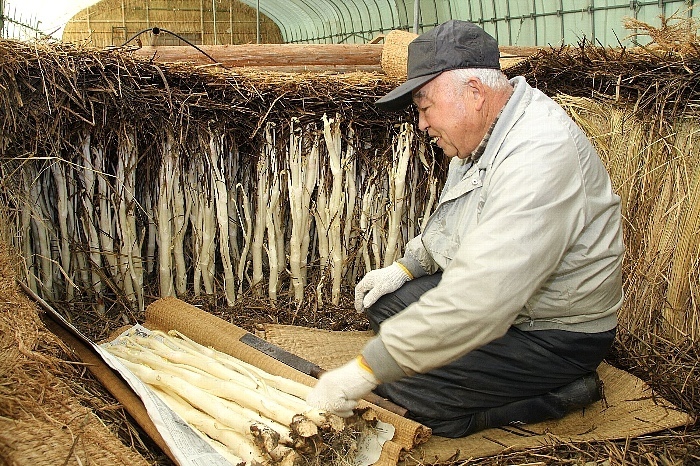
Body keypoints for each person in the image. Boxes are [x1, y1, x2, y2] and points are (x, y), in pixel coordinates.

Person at [306, 19, 624, 438]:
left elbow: (481, 297)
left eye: (424, 106)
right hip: (516, 308)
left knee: (405, 390)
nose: (421, 124)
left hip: (552, 332)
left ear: (474, 93)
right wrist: (405, 268)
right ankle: (474, 373)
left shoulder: (541, 154)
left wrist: (363, 372)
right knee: (386, 307)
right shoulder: (478, 139)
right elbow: (451, 225)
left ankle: (557, 393)